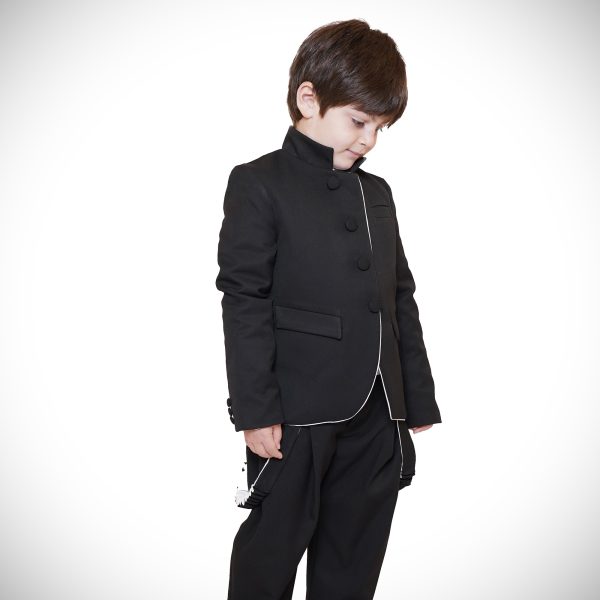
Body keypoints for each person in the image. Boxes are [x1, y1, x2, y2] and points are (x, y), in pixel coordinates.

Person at [215, 18, 442, 600]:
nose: (368, 140)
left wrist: (415, 397)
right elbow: (243, 299)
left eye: (380, 128)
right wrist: (254, 409)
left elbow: (399, 295)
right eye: (359, 121)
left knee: (353, 563)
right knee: (269, 556)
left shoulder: (377, 193)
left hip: (378, 413)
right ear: (308, 99)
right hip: (295, 412)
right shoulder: (257, 183)